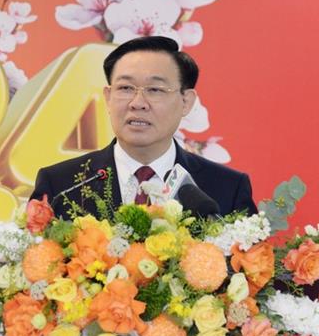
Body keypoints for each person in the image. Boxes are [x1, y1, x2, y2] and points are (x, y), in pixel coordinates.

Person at [30, 36, 257, 219]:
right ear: (108, 97)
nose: (137, 103)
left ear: (186, 102)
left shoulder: (227, 188)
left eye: (155, 90)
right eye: (125, 88)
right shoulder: (61, 185)